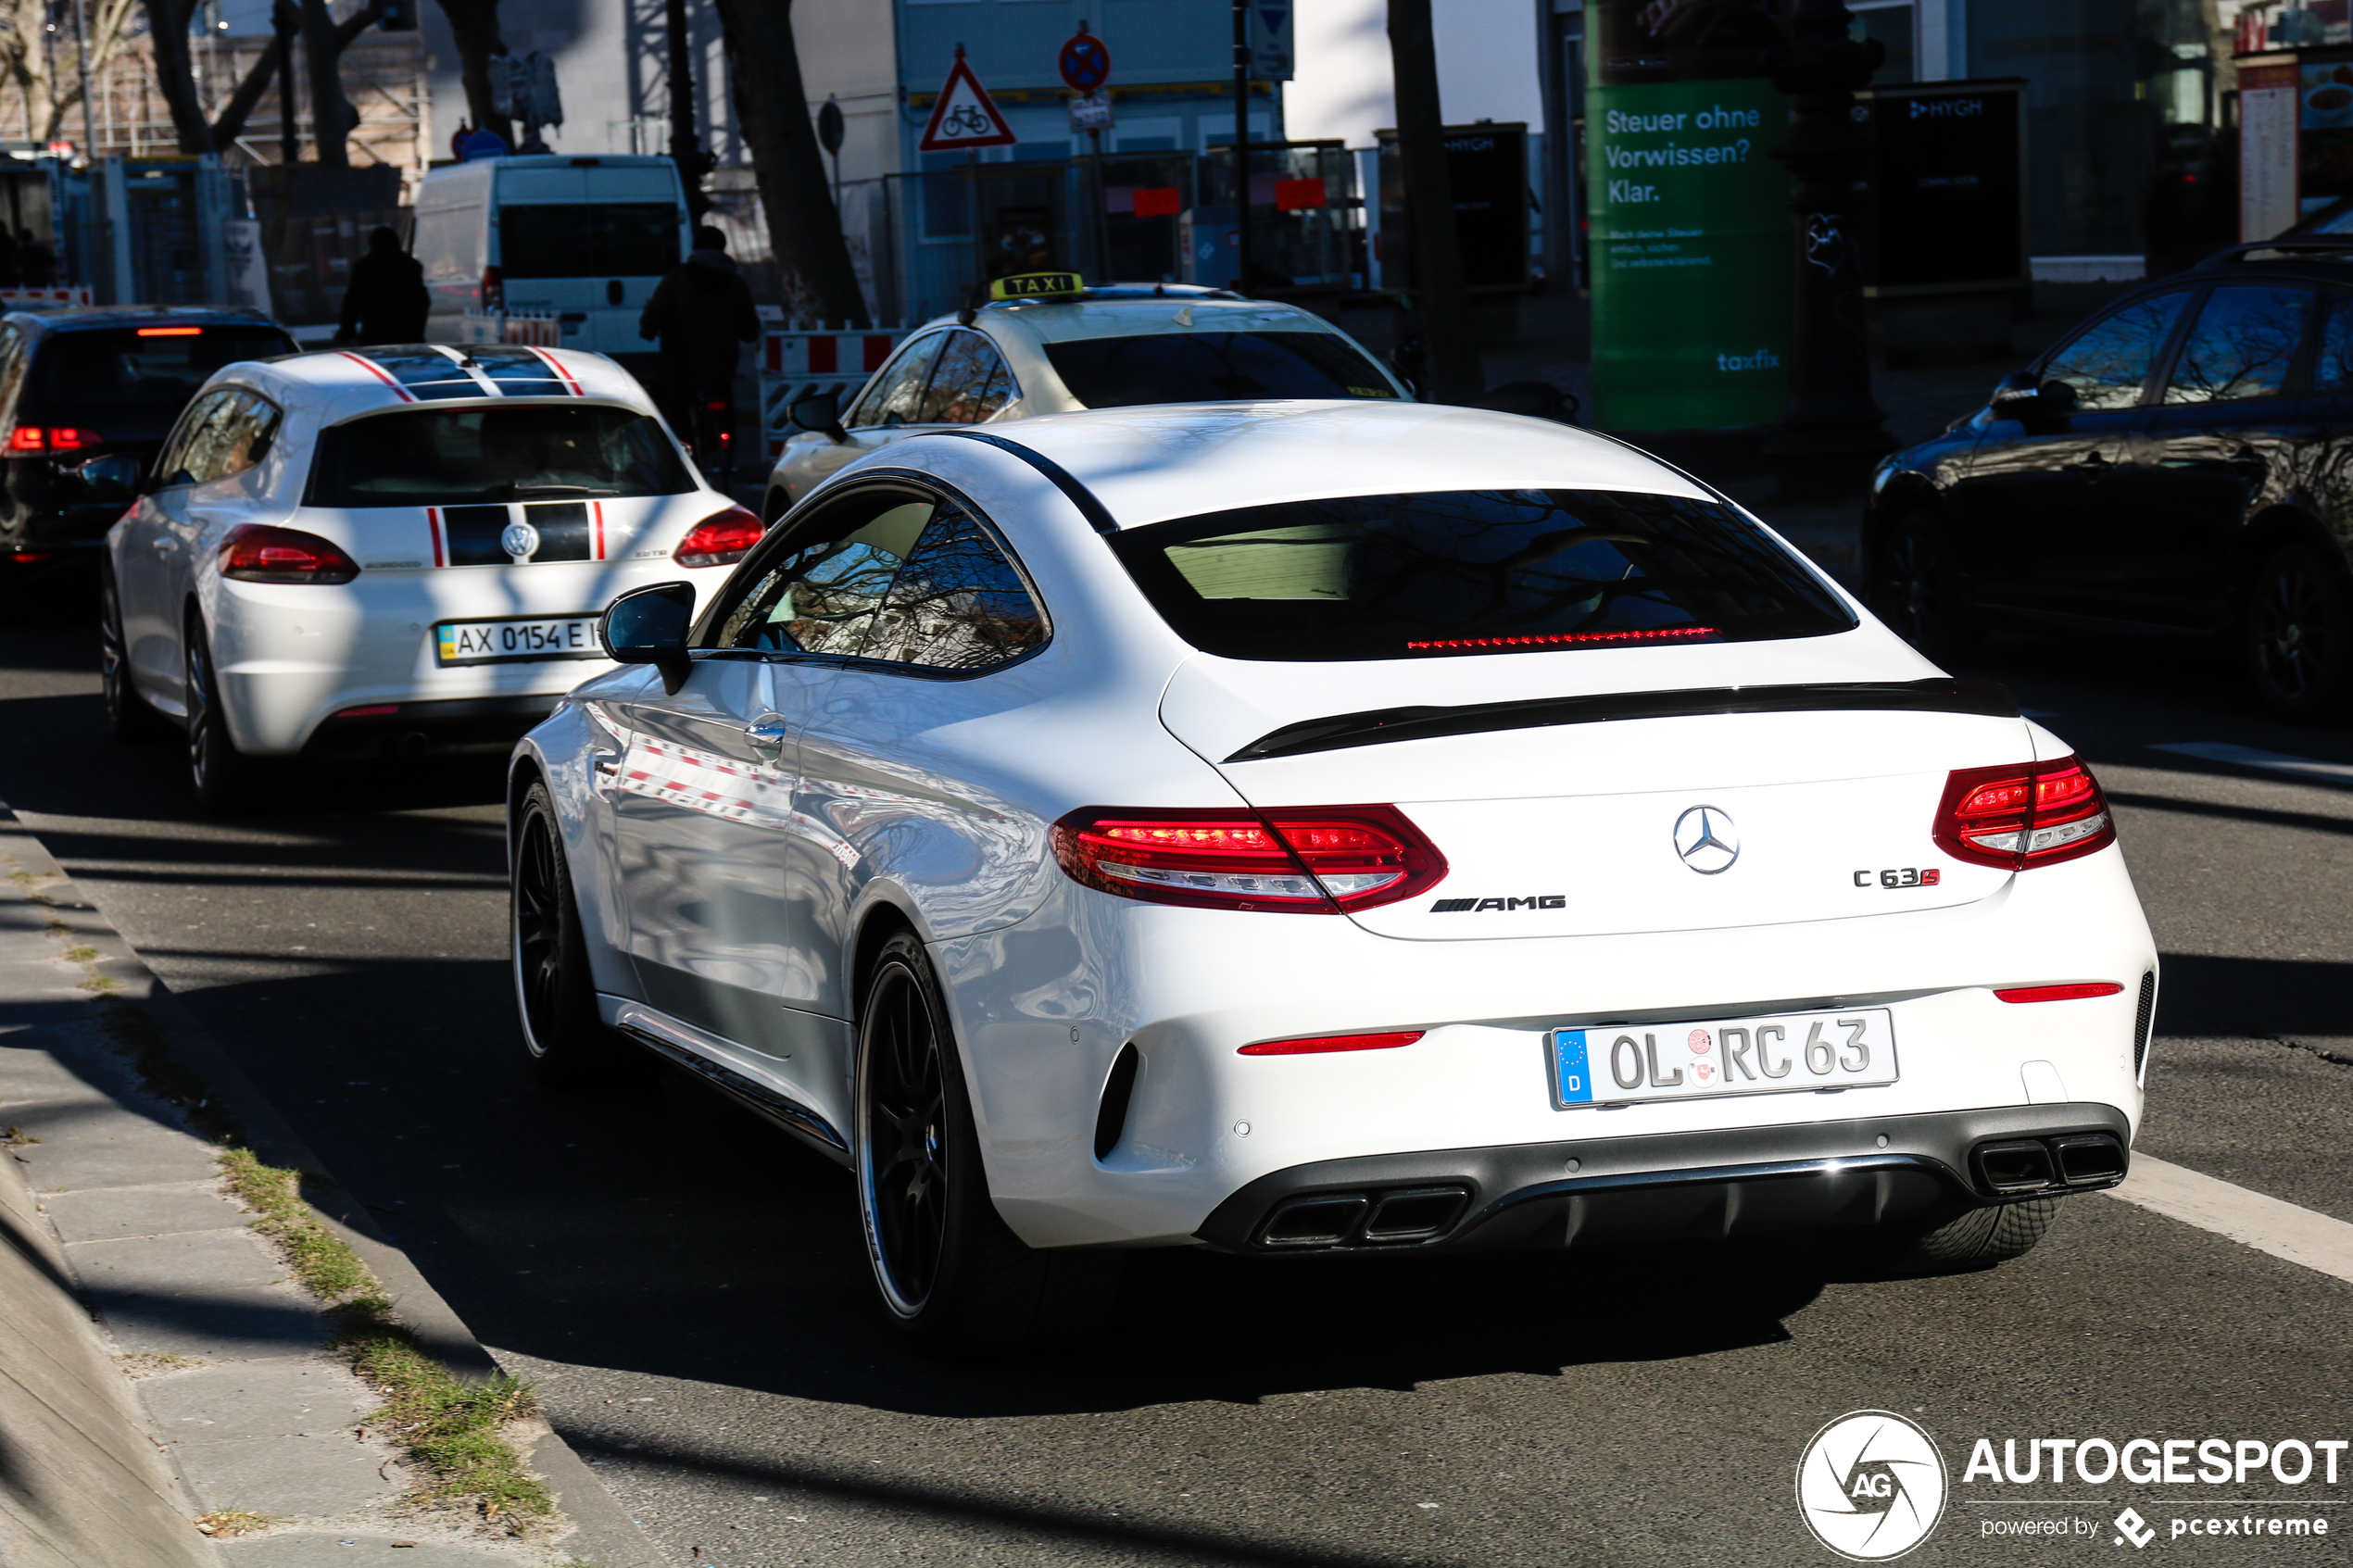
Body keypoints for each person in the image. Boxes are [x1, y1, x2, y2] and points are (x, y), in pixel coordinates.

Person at [638, 225, 760, 464]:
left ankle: (681, 457)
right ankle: (726, 447)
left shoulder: (676, 279)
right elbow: (750, 331)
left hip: (681, 365)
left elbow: (655, 315)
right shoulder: (736, 284)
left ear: (695, 248)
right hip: (721, 364)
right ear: (723, 248)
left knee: (675, 406)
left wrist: (648, 330)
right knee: (722, 396)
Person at [335, 226, 430, 346]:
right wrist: (418, 330)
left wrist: (347, 330)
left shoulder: (364, 267)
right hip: (408, 335)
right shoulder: (411, 265)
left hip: (375, 334)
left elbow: (352, 302)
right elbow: (422, 301)